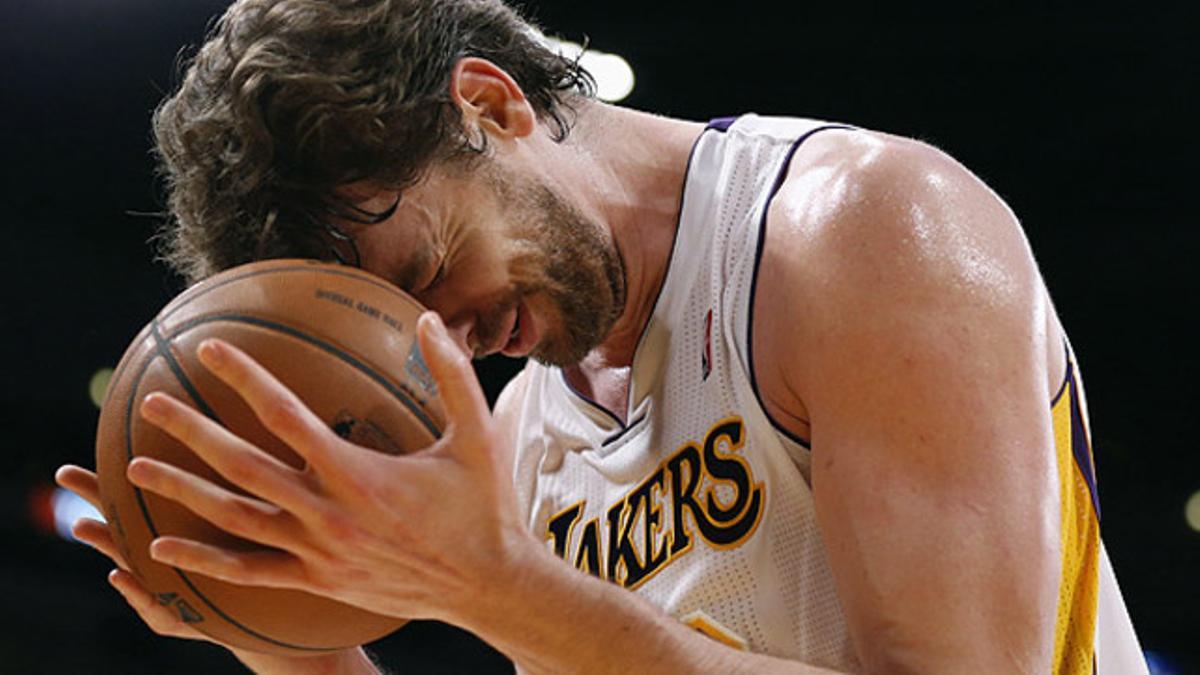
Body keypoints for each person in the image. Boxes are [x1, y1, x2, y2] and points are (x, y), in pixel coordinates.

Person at [55, 0, 1147, 672]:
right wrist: (289, 642)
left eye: (432, 271)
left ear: (491, 104)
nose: (457, 342)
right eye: (403, 324)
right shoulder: (529, 426)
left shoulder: (854, 231)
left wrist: (498, 591)